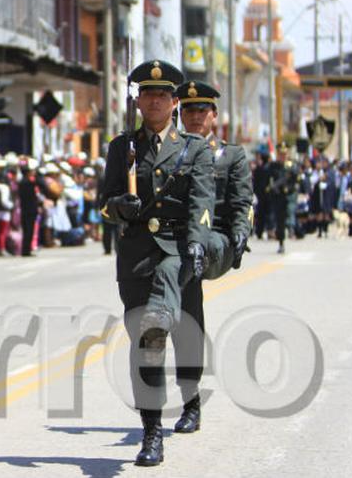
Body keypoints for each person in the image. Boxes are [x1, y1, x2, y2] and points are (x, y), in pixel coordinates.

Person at [99, 60, 214, 467]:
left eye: (163, 94)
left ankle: (188, 400)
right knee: (144, 343)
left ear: (174, 101)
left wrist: (198, 244)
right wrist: (119, 206)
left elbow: (202, 203)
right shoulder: (121, 147)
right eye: (147, 93)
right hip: (135, 257)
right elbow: (104, 204)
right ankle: (151, 430)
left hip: (177, 252)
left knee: (170, 334)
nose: (155, 100)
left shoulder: (194, 148)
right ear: (138, 100)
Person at [172, 80, 252, 434]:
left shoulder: (230, 155)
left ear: (214, 116)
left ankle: (190, 403)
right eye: (188, 110)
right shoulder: (170, 151)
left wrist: (239, 233)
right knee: (178, 318)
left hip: (214, 238)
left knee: (190, 300)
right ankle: (184, 400)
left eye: (201, 110)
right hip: (177, 241)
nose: (194, 117)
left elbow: (241, 203)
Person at [266, 142, 298, 254]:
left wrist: (288, 188)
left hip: (289, 196)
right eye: (280, 154)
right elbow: (268, 179)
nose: (282, 156)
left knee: (290, 211)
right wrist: (271, 188)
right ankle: (281, 242)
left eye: (284, 154)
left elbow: (295, 181)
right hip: (278, 197)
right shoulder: (273, 166)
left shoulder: (292, 166)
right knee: (279, 221)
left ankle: (291, 229)